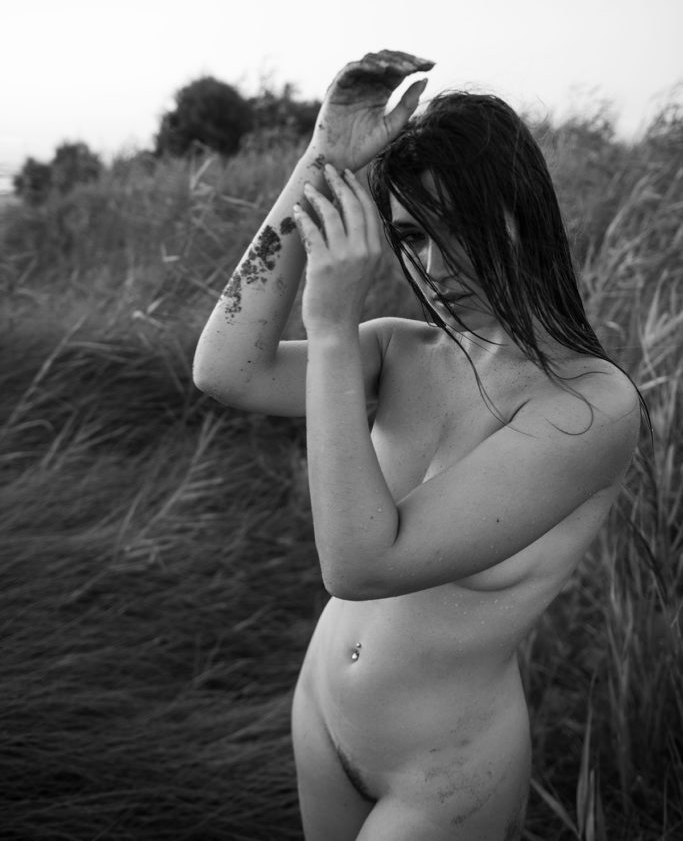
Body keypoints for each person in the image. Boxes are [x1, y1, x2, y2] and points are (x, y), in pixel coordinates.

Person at [193, 50, 642, 841]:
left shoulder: (589, 406)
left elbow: (359, 567)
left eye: (461, 228)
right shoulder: (403, 350)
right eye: (409, 234)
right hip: (320, 714)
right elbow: (226, 370)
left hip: (440, 774)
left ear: (524, 217)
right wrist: (322, 156)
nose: (434, 266)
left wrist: (331, 326)